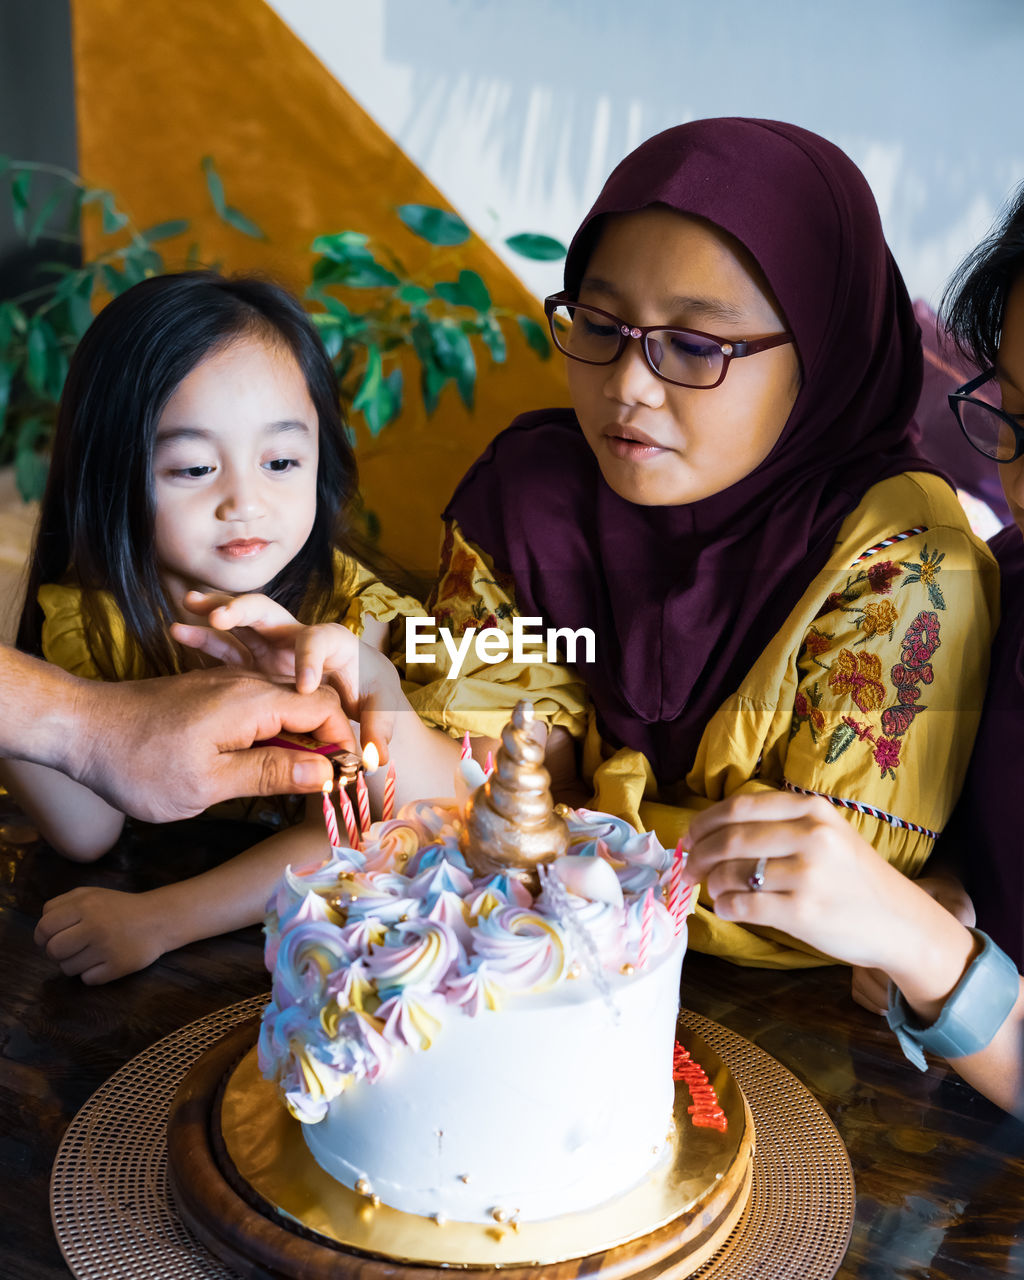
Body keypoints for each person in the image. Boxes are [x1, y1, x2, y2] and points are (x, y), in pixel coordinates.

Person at [403, 117, 998, 974]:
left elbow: (821, 899)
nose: (629, 386)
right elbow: (477, 788)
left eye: (693, 345)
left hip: (817, 1047)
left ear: (823, 351)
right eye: (600, 325)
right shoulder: (528, 495)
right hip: (512, 973)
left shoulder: (908, 559)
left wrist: (568, 799)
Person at [667, 185, 1024, 1118]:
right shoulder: (1008, 581)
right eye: (1018, 416)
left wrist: (929, 949)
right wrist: (947, 901)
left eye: (698, 346)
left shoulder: (915, 570)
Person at [0, 271, 460, 984]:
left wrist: (159, 920)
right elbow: (87, 833)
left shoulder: (349, 625)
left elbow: (378, 829)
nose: (245, 501)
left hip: (339, 954)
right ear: (110, 475)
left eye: (280, 461)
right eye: (193, 468)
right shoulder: (95, 617)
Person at [0, 645, 350, 819]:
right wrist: (89, 727)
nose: (242, 505)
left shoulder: (355, 617)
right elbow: (86, 833)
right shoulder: (96, 628)